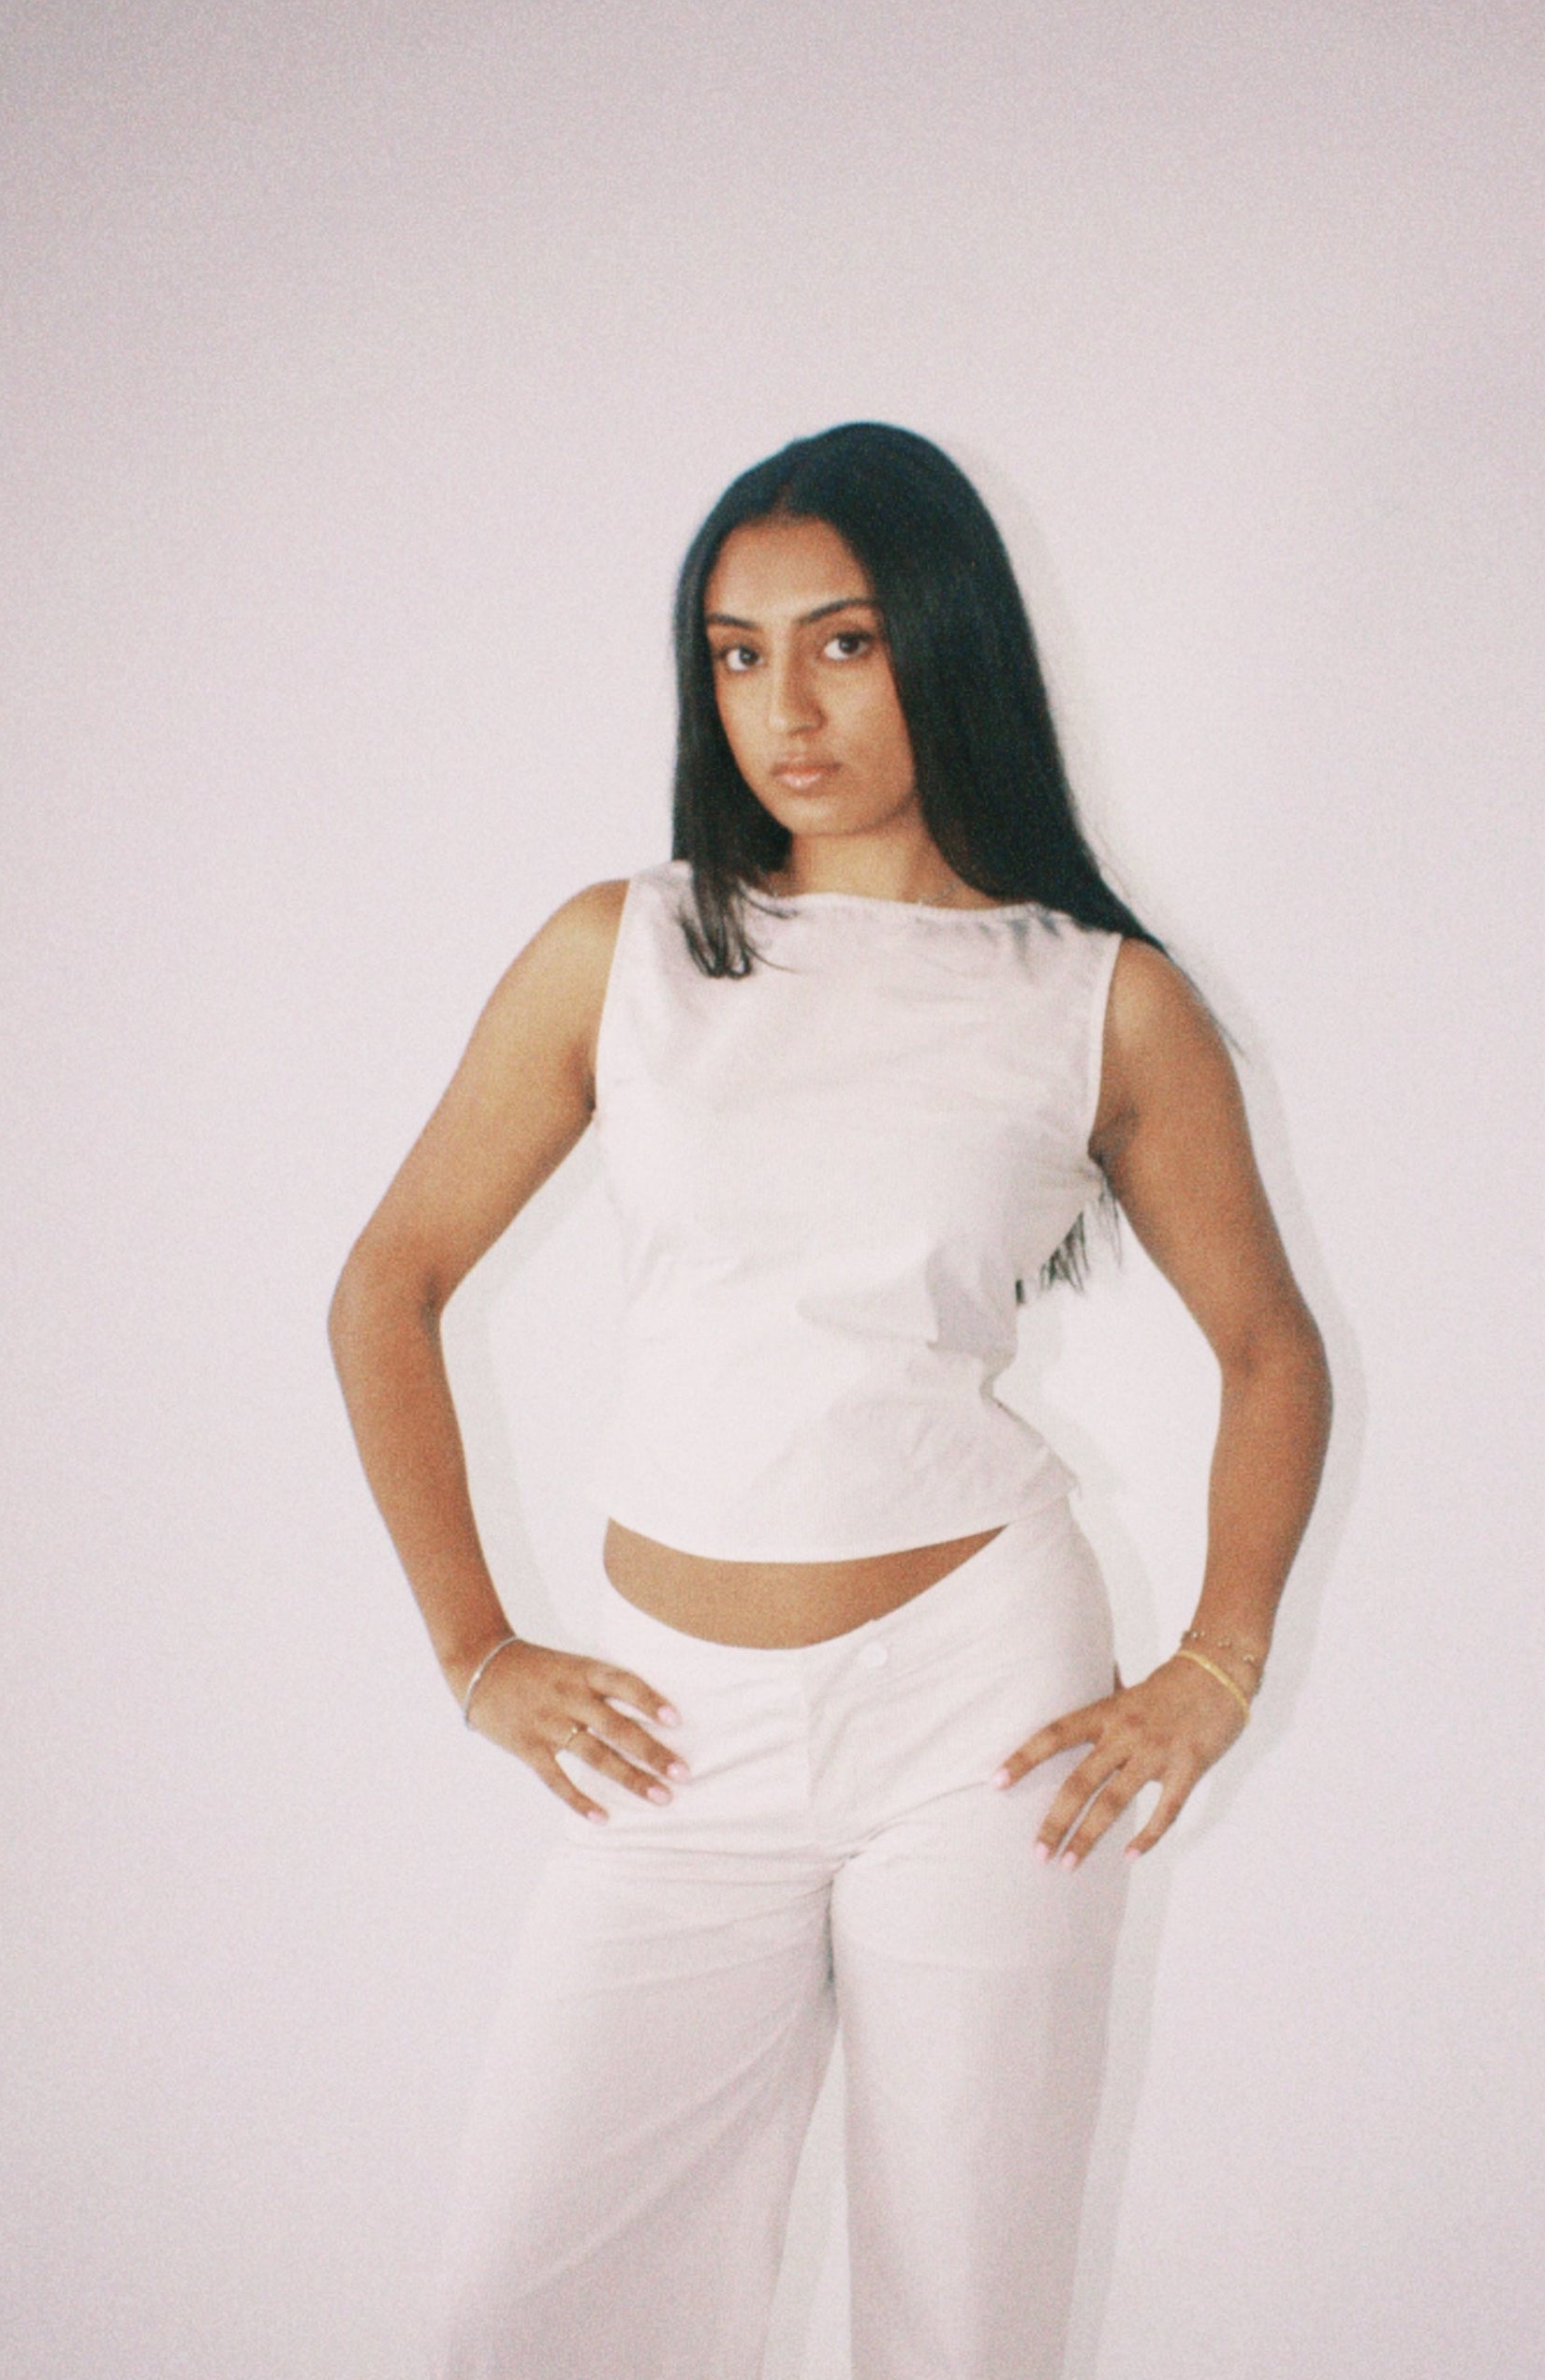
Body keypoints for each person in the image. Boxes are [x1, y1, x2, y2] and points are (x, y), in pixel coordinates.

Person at [328, 421, 1331, 2380]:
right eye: (736, 652)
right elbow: (391, 1283)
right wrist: (476, 1648)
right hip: (668, 1738)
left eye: (842, 643)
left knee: (960, 2320)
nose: (783, 707)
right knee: (526, 2319)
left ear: (944, 641)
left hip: (981, 1714)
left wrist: (1216, 1662)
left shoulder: (1094, 996)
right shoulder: (623, 951)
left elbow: (1271, 1348)